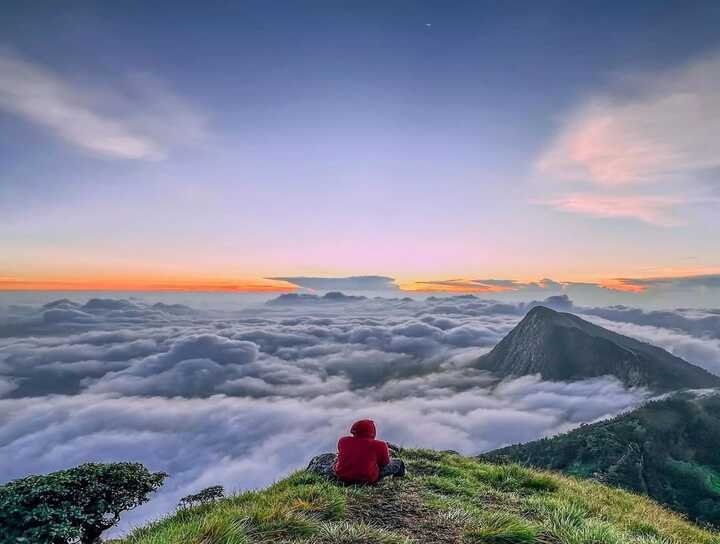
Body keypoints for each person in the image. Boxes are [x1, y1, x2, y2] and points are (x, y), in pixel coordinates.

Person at [307, 419, 405, 484]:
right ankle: (398, 481)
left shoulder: (343, 440)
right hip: (367, 480)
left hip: (342, 478)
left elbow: (344, 454)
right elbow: (385, 463)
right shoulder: (380, 445)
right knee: (399, 463)